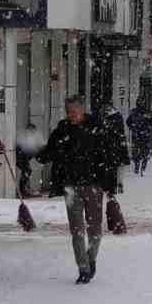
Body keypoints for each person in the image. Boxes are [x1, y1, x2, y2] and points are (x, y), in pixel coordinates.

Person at [39, 96, 117, 284]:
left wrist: (110, 184)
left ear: (82, 110)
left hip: (93, 185)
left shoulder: (96, 128)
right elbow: (49, 152)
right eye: (68, 112)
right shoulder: (62, 130)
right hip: (71, 187)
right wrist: (36, 152)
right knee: (77, 230)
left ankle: (91, 257)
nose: (71, 115)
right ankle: (83, 268)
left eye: (74, 112)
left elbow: (109, 156)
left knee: (95, 228)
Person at [127, 101, 152, 175]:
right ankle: (142, 164)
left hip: (138, 134)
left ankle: (138, 164)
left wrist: (132, 128)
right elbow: (151, 122)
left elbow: (128, 122)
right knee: (143, 150)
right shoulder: (145, 112)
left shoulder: (135, 112)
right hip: (143, 134)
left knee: (137, 151)